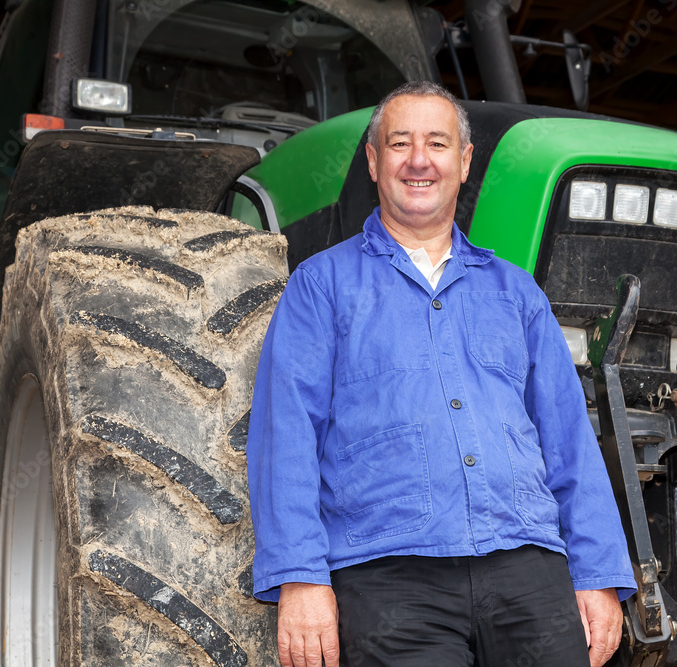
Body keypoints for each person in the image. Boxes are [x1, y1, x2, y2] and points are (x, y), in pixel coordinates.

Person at [246, 80, 636, 667]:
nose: (419, 160)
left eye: (437, 142)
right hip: (388, 574)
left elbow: (569, 440)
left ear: (464, 160)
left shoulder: (516, 292)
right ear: (375, 163)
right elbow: (287, 436)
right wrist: (300, 579)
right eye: (400, 144)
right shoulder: (321, 286)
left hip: (526, 567)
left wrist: (599, 572)